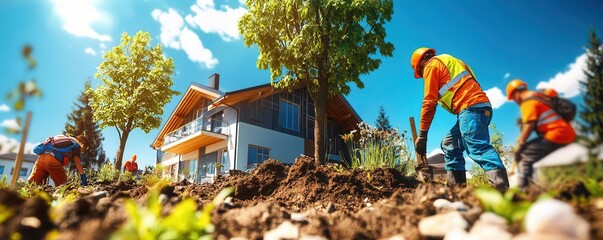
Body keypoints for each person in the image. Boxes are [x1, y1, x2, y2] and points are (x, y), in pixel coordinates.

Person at [410, 47, 509, 189]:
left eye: (420, 73)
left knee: (477, 146)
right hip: (478, 107)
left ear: (420, 65)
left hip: (470, 107)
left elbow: (429, 102)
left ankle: (501, 187)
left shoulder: (431, 65)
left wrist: (423, 135)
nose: (423, 76)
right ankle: (456, 189)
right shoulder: (454, 61)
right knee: (449, 144)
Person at [506, 79, 576, 187]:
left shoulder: (527, 102)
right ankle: (539, 184)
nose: (515, 101)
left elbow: (529, 124)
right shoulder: (539, 97)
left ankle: (525, 191)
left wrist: (521, 143)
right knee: (532, 154)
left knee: (525, 156)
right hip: (566, 132)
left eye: (513, 98)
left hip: (556, 134)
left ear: (516, 93)